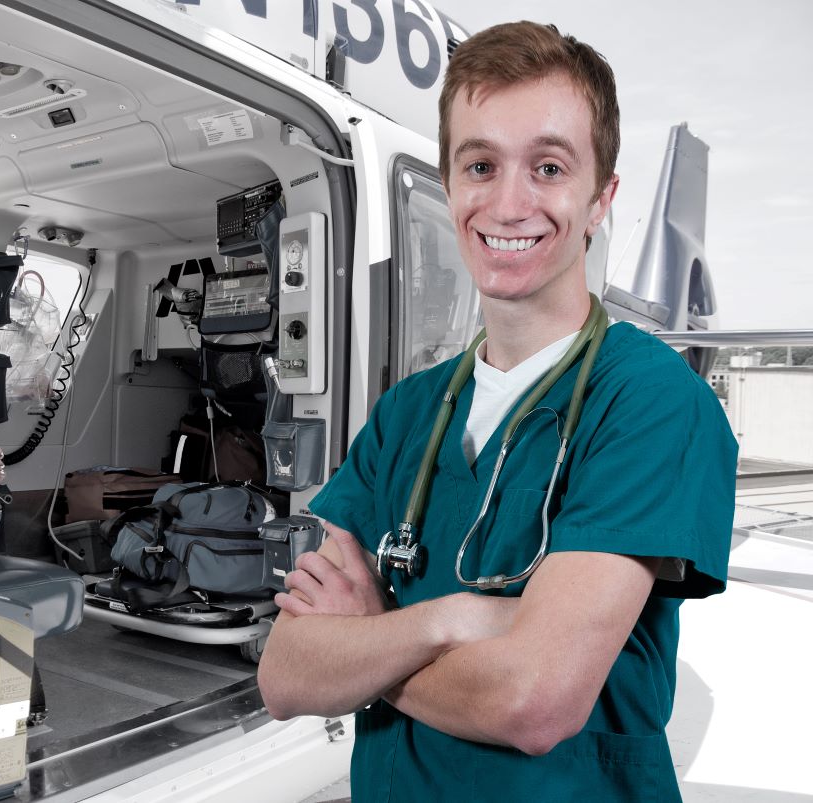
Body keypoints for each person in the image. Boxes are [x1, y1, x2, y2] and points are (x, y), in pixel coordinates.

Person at [256, 20, 737, 802]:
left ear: (599, 199)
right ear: (451, 186)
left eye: (548, 167)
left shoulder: (650, 401)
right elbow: (284, 676)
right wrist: (449, 619)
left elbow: (533, 701)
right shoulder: (405, 415)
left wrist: (365, 647)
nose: (509, 203)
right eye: (480, 164)